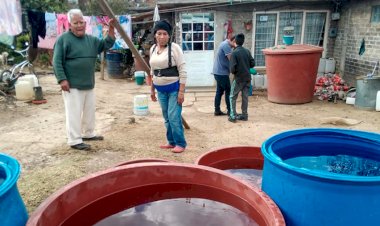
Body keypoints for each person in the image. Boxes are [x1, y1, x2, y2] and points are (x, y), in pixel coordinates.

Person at [53, 9, 115, 150]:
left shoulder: (91, 40)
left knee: (89, 111)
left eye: (82, 22)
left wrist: (111, 27)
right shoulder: (63, 39)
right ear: (70, 24)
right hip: (72, 84)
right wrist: (62, 79)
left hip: (88, 83)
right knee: (74, 113)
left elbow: (107, 43)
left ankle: (88, 133)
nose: (80, 25)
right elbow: (56, 61)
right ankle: (74, 140)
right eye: (76, 23)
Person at [149, 20, 187, 153]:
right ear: (155, 35)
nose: (161, 36)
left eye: (165, 34)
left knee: (173, 116)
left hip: (174, 89)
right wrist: (152, 90)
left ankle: (180, 143)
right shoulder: (153, 49)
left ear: (169, 35)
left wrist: (181, 92)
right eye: (159, 33)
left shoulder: (175, 48)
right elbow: (152, 70)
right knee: (166, 117)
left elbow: (182, 70)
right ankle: (171, 142)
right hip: (160, 90)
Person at [228, 33, 255, 123]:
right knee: (245, 97)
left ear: (235, 41)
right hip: (247, 78)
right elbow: (252, 64)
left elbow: (232, 69)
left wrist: (236, 71)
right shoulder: (247, 51)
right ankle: (244, 115)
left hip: (238, 79)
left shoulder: (234, 53)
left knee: (232, 97)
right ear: (243, 42)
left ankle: (232, 116)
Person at [212, 35, 235, 116]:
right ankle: (230, 111)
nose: (235, 45)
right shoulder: (226, 46)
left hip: (218, 72)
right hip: (222, 73)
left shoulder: (224, 43)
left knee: (219, 91)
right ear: (232, 41)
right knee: (228, 92)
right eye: (235, 43)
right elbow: (231, 60)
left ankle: (217, 110)